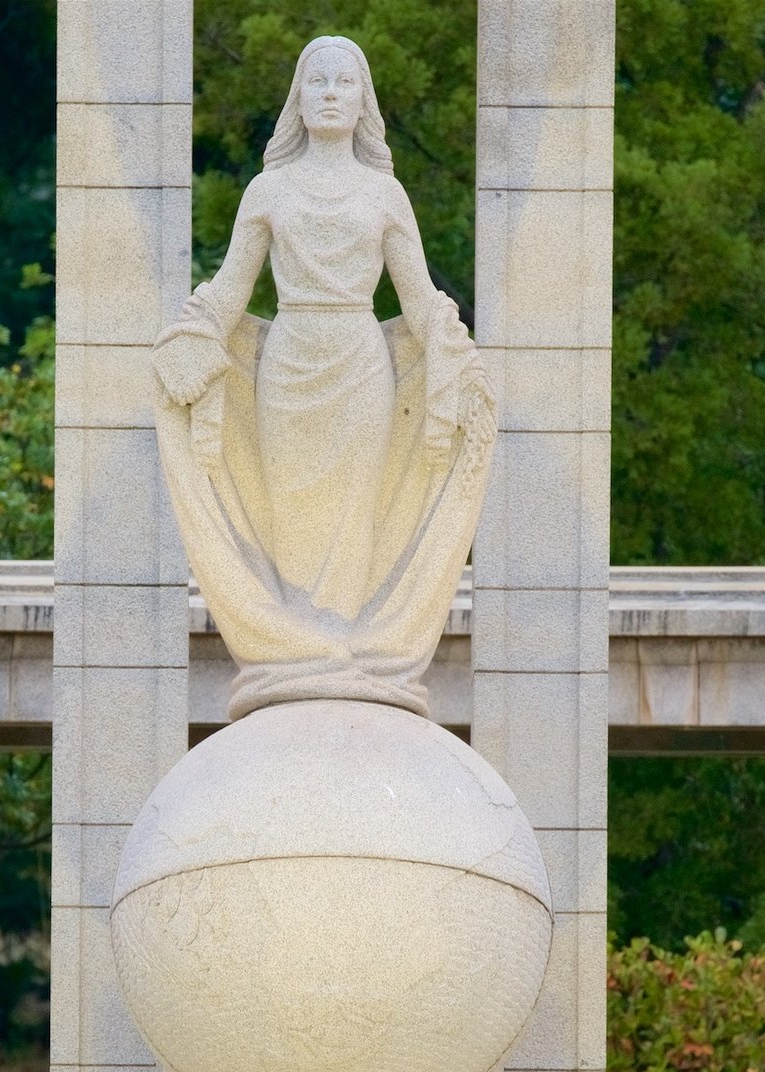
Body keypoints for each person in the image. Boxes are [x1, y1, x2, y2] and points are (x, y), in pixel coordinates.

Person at [151, 35, 495, 721]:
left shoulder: (385, 194)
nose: (332, 92)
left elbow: (420, 298)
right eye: (318, 81)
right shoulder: (268, 190)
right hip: (289, 366)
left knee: (352, 511)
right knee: (293, 513)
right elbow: (227, 292)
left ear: (364, 99)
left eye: (345, 82)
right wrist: (189, 338)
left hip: (361, 365)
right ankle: (297, 645)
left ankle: (345, 646)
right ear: (298, 100)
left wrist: (455, 354)